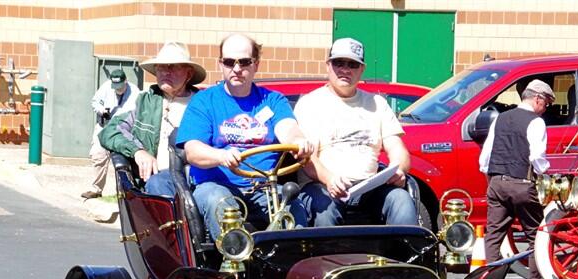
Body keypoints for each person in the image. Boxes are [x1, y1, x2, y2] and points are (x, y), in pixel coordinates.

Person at [175, 33, 313, 240]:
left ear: (256, 65)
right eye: (230, 62)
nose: (237, 69)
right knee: (219, 203)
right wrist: (220, 156)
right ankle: (233, 265)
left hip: (264, 187)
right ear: (221, 64)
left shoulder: (273, 100)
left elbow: (288, 128)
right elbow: (193, 151)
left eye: (245, 62)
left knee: (292, 207)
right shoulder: (204, 101)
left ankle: (289, 264)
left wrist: (298, 141)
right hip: (217, 185)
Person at [294, 37, 416, 227]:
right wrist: (330, 179)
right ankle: (327, 257)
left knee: (401, 199)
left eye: (352, 64)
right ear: (328, 65)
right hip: (323, 186)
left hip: (370, 187)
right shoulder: (310, 104)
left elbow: (398, 149)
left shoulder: (377, 104)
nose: (345, 70)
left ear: (362, 69)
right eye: (339, 63)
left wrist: (399, 170)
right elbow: (307, 159)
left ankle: (403, 255)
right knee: (325, 207)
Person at [479, 78, 557, 279]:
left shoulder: (500, 119)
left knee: (493, 236)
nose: (546, 109)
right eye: (547, 103)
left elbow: (485, 157)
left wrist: (493, 179)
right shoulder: (536, 122)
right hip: (522, 183)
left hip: (496, 182)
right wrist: (545, 174)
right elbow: (537, 158)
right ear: (537, 98)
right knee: (536, 235)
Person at [98, 42, 205, 197]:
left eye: (173, 67)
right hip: (157, 181)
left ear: (188, 74)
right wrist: (138, 151)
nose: (166, 72)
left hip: (195, 178)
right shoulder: (146, 103)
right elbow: (110, 131)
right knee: (158, 183)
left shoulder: (202, 103)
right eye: (161, 67)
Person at [82, 68, 140, 199]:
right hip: (104, 126)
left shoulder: (135, 92)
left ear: (126, 81)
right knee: (98, 156)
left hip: (121, 130)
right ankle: (96, 189)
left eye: (120, 86)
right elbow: (94, 102)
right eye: (115, 86)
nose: (117, 89)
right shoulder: (106, 87)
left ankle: (123, 191)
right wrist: (102, 111)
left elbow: (134, 113)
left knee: (122, 161)